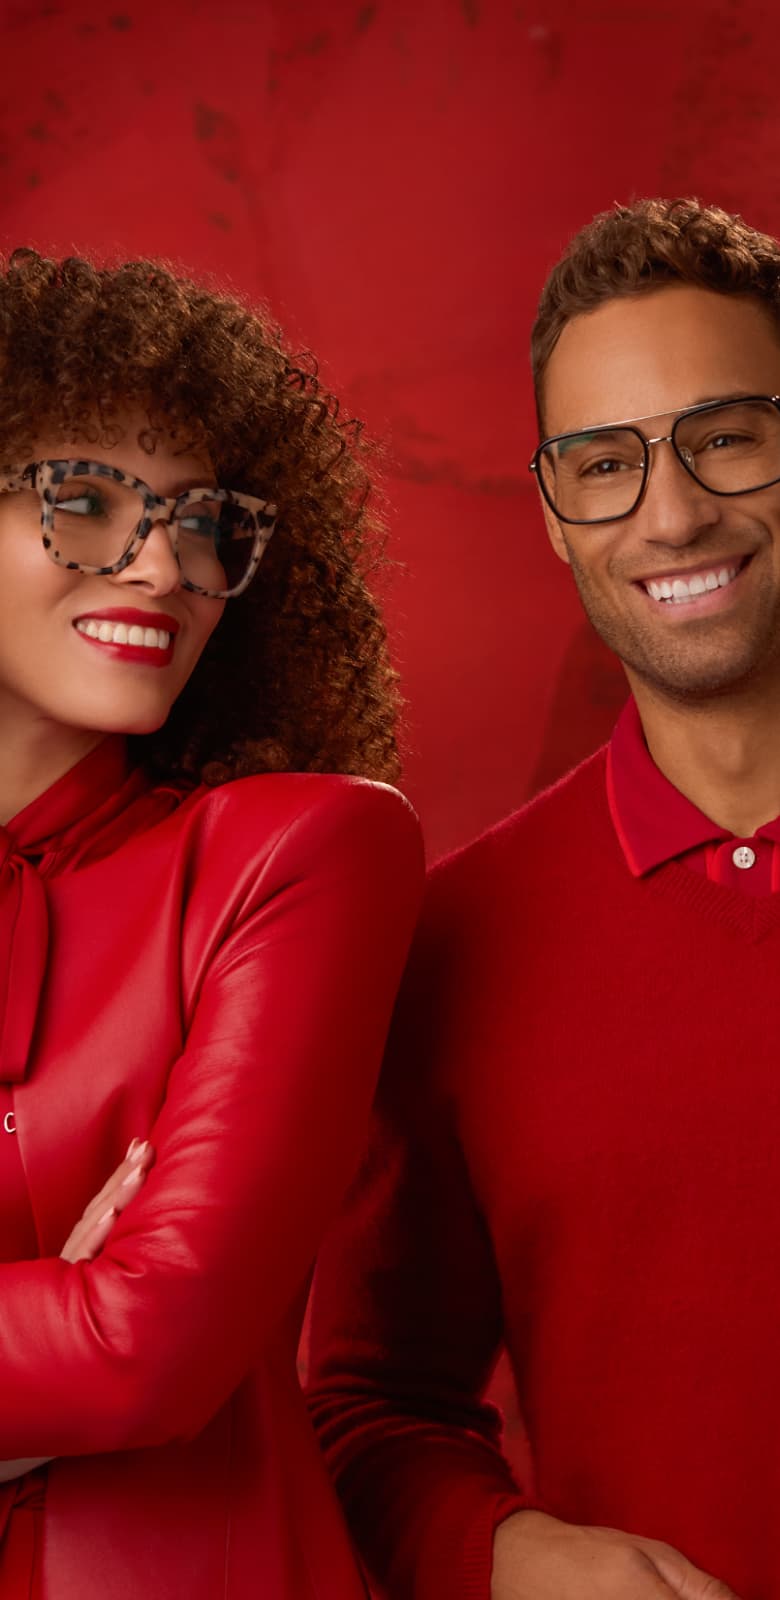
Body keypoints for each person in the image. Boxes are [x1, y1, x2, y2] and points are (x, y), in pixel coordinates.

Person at [305, 197, 780, 1600]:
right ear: (556, 520)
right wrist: (510, 1555)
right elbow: (369, 1405)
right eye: (605, 464)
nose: (674, 511)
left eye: (729, 437)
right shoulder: (456, 941)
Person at [0, 245, 424, 1598]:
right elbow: (82, 1344)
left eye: (202, 521)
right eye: (83, 499)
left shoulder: (300, 851)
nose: (165, 565)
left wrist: (100, 1338)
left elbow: (145, 1352)